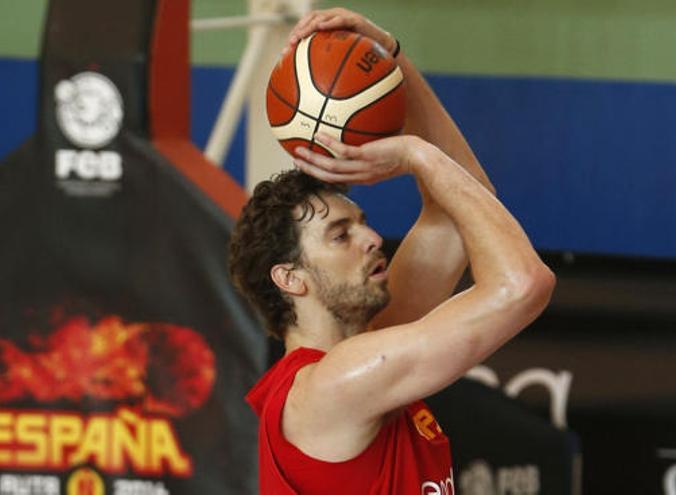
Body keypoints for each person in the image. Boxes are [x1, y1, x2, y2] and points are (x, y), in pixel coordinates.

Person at [228, 8, 555, 494]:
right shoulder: (334, 384)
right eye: (341, 235)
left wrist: (390, 58)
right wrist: (415, 155)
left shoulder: (369, 342)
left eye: (361, 224)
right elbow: (524, 285)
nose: (373, 238)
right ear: (290, 278)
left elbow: (460, 206)